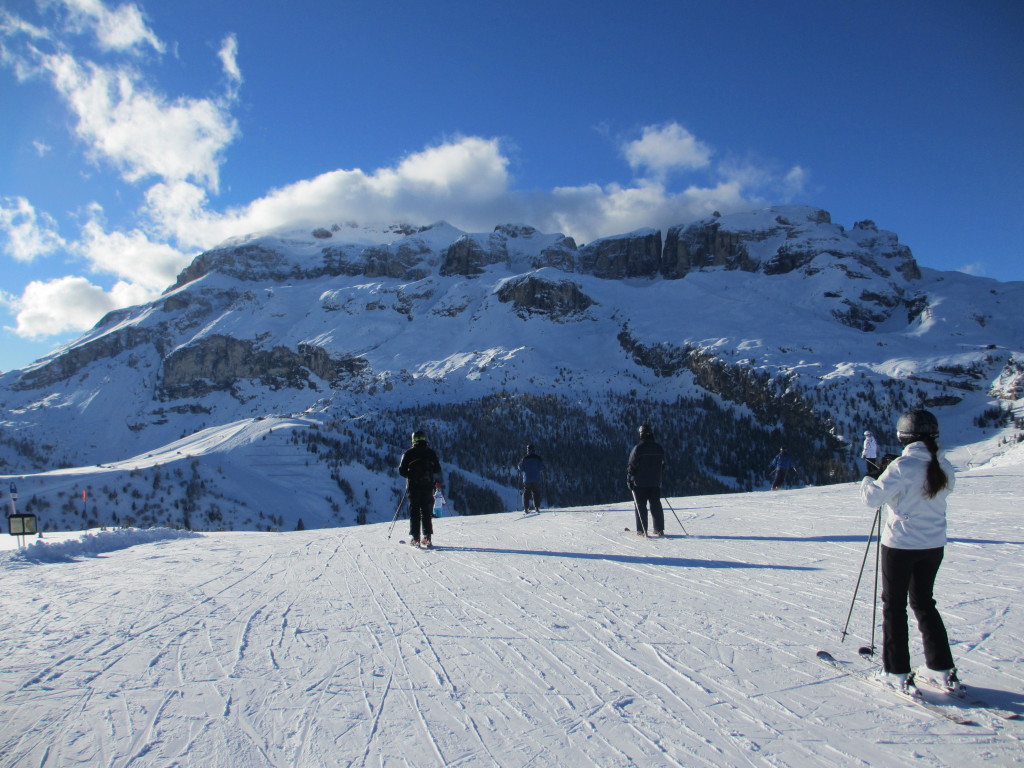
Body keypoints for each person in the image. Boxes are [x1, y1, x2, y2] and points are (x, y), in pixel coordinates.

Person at [860, 409, 959, 693]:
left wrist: (871, 477)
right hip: (934, 545)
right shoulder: (944, 466)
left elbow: (873, 499)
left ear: (904, 436)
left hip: (901, 546)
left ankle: (896, 671)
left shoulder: (902, 467)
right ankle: (941, 667)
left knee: (894, 606)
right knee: (924, 603)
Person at [398, 430, 443, 548]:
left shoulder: (409, 453)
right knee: (426, 512)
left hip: (414, 487)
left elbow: (401, 471)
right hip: (428, 486)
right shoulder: (431, 453)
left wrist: (411, 474)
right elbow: (437, 469)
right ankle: (427, 536)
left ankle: (415, 537)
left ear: (413, 440)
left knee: (414, 512)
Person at [627, 424, 665, 536]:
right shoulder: (659, 448)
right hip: (655, 482)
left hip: (640, 483)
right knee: (656, 504)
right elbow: (663, 464)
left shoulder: (638, 448)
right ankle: (659, 529)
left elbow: (632, 465)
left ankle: (642, 530)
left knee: (640, 506)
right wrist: (659, 476)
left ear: (641, 434)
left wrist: (630, 478)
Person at [518, 444, 545, 513]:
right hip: (536, 478)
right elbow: (542, 467)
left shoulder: (524, 458)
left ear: (528, 450)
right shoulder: (538, 458)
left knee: (526, 493)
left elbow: (520, 467)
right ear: (534, 449)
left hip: (527, 479)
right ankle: (537, 507)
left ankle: (526, 508)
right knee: (536, 492)